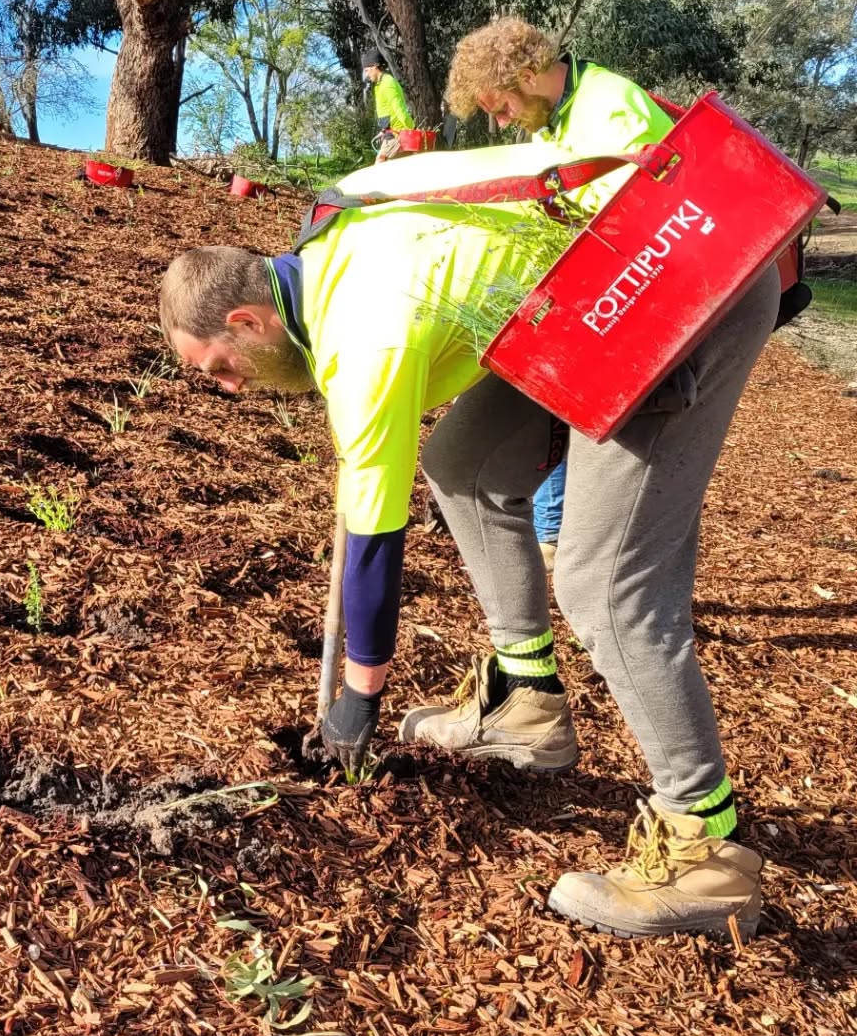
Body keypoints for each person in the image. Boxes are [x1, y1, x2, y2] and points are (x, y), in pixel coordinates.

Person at [157, 183, 773, 941]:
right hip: (578, 302)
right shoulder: (328, 246)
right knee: (466, 462)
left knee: (603, 583)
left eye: (218, 366)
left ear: (246, 321)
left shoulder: (362, 341)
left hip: (670, 287)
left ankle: (704, 845)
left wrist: (357, 705)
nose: (229, 387)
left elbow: (374, 543)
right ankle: (528, 701)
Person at [446, 18, 681, 569]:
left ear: (529, 74)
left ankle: (580, 552)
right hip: (601, 293)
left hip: (645, 297)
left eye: (501, 107)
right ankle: (555, 533)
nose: (501, 122)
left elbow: (646, 224)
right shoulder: (553, 119)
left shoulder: (610, 108)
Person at [361, 49, 414, 161]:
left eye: (367, 70)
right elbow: (386, 111)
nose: (366, 75)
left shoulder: (388, 83)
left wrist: (412, 130)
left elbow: (400, 111)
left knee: (378, 172)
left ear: (375, 66)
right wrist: (383, 130)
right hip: (389, 135)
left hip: (397, 136)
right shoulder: (378, 85)